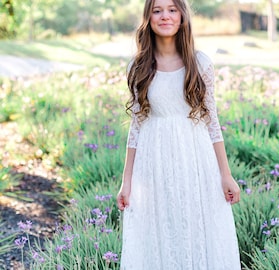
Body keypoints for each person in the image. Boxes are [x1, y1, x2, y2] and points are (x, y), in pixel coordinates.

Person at [116, 0, 241, 269]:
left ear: (182, 16)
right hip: (154, 161)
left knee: (196, 226)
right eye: (157, 10)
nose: (165, 16)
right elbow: (136, 127)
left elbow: (212, 121)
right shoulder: (137, 67)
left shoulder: (199, 63)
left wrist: (226, 174)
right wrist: (127, 182)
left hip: (195, 159)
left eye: (172, 9)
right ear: (148, 18)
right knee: (159, 231)